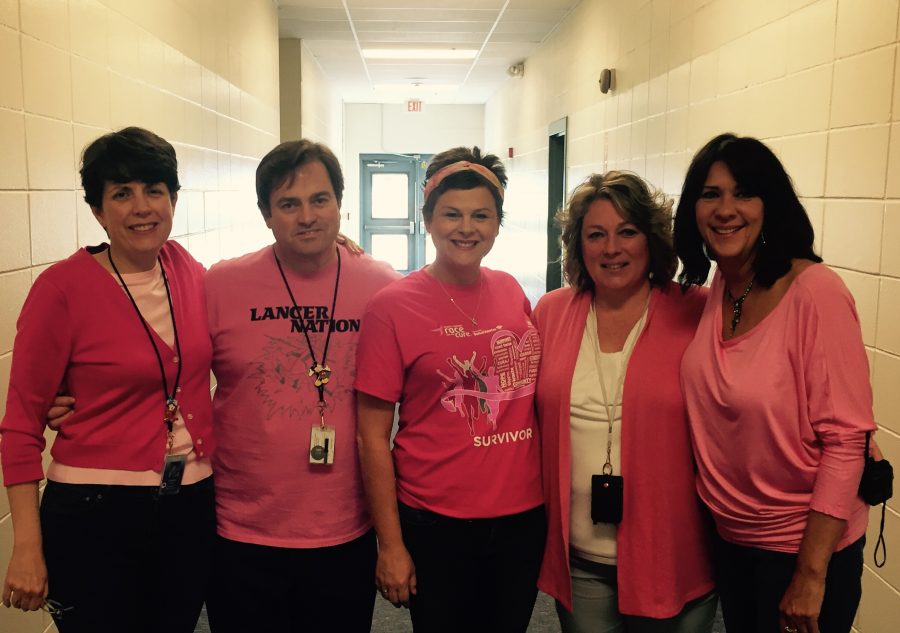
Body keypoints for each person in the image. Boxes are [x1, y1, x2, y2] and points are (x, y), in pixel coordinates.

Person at [0, 127, 216, 632]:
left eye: (154, 190)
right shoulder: (61, 290)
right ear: (98, 210)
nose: (141, 207)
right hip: (95, 511)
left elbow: (256, 292)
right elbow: (20, 428)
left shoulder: (188, 270)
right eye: (121, 193)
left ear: (174, 199)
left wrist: (322, 250)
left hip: (189, 504)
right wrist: (27, 548)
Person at [674, 133, 875, 633]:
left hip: (800, 550)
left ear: (771, 204)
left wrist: (810, 576)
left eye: (743, 193)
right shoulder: (722, 281)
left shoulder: (816, 294)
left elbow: (847, 441)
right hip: (732, 540)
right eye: (710, 194)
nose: (725, 209)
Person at [203, 139, 399, 633]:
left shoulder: (382, 285)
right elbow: (164, 362)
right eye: (288, 204)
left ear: (340, 204)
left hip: (345, 530)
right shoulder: (220, 285)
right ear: (266, 214)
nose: (307, 216)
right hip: (243, 531)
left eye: (320, 200)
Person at [355, 147, 545, 632]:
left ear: (498, 224)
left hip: (522, 516)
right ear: (427, 219)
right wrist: (391, 544)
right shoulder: (391, 307)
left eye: (481, 215)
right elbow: (371, 437)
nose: (466, 227)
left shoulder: (511, 291)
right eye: (451, 214)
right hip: (435, 520)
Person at [533, 172, 717, 633]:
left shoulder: (697, 310)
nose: (611, 248)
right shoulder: (551, 313)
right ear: (579, 246)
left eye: (627, 232)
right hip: (582, 560)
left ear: (651, 241)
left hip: (675, 555)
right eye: (596, 235)